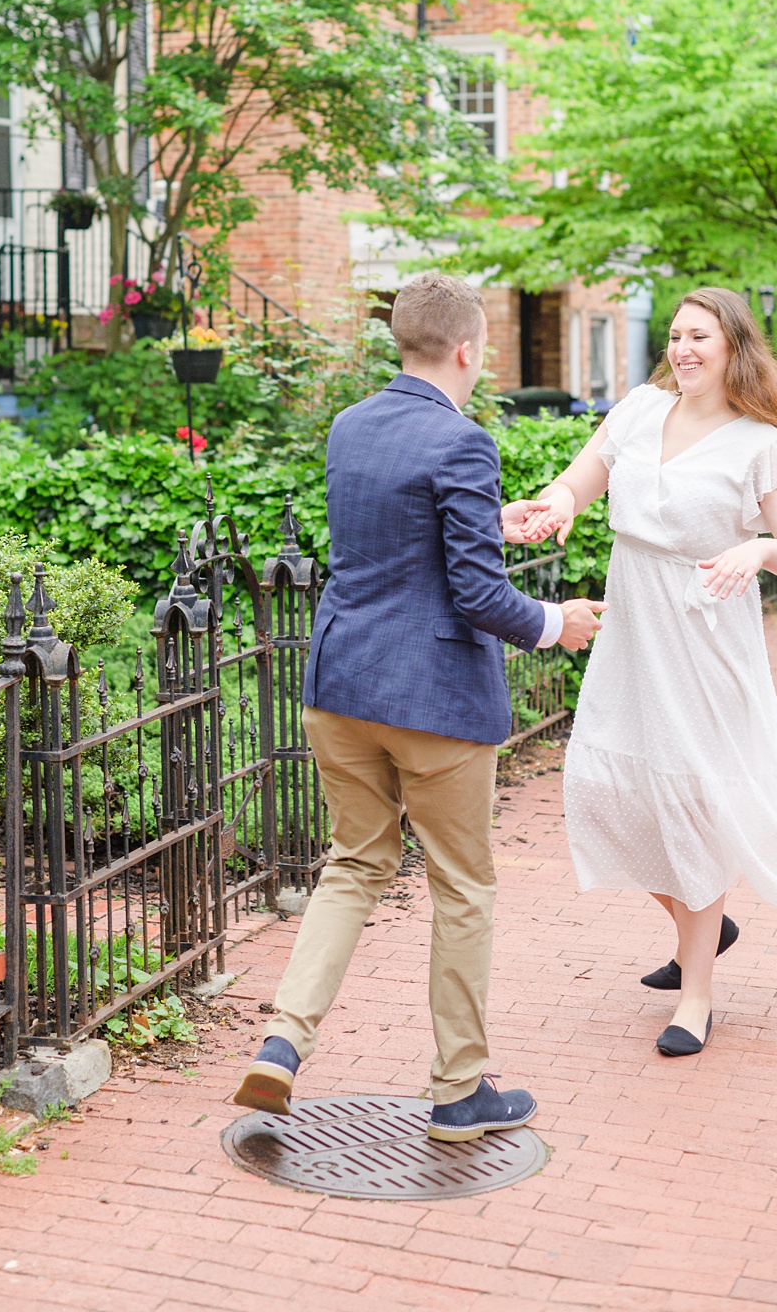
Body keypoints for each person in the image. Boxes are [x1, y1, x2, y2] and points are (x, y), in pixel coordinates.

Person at [232, 273, 602, 1138]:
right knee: (463, 886)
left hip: (341, 685)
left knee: (354, 865)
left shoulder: (352, 425)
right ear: (471, 348)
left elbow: (398, 542)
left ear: (400, 341)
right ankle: (458, 1090)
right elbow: (476, 598)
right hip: (432, 701)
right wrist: (557, 624)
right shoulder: (463, 441)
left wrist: (489, 522)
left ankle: (282, 1044)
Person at [504, 288, 777, 1056]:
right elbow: (580, 478)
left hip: (705, 644)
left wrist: (758, 549)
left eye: (700, 335)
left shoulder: (760, 444)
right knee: (601, 788)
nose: (684, 348)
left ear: (734, 347)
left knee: (693, 803)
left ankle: (696, 997)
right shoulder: (636, 410)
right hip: (633, 631)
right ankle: (704, 923)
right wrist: (555, 504)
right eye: (675, 334)